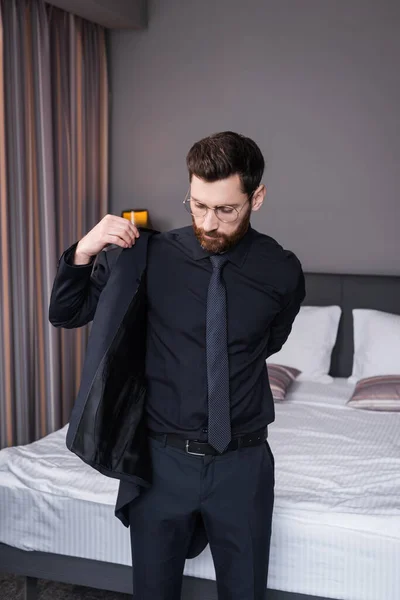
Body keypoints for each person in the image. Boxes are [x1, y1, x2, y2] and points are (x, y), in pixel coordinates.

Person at [49, 131, 305, 600]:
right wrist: (84, 250)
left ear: (257, 197)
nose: (209, 222)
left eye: (226, 209)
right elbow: (66, 312)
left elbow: (269, 342)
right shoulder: (146, 257)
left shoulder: (281, 271)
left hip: (243, 467)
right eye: (197, 204)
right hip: (160, 464)